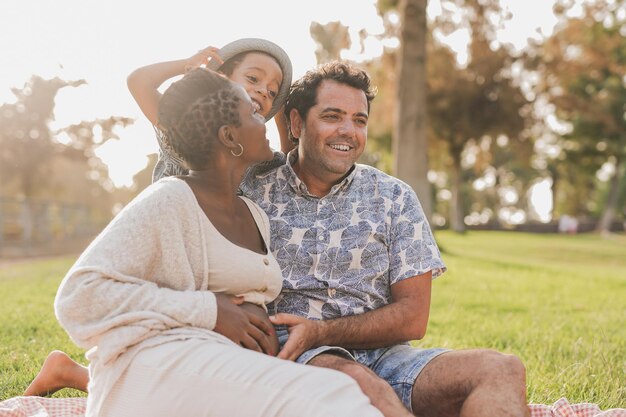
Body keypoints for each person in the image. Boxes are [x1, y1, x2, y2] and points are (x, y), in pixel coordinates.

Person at [53, 68, 383, 417]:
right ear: (230, 136)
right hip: (156, 367)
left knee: (338, 392)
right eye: (254, 114)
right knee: (333, 398)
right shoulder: (170, 199)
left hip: (219, 371)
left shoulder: (253, 212)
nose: (266, 118)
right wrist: (210, 310)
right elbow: (78, 297)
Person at [126, 37, 294, 180]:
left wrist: (283, 113)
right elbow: (139, 81)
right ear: (220, 78)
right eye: (253, 78)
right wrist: (186, 64)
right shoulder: (187, 124)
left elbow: (289, 169)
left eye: (273, 92)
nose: (264, 91)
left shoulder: (258, 153)